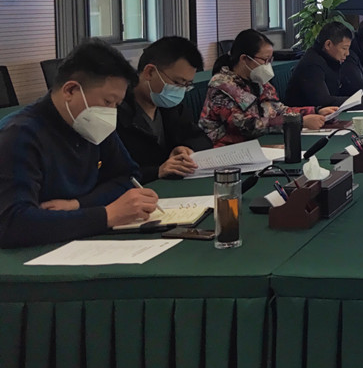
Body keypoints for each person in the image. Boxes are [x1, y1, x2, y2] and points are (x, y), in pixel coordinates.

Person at [0, 40, 160, 248]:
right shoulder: (19, 135)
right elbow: (13, 223)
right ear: (70, 90)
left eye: (117, 105)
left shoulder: (92, 125)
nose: (111, 112)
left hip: (78, 238)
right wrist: (107, 215)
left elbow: (128, 177)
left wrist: (78, 205)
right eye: (107, 102)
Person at [200, 29, 336, 146]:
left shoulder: (259, 82)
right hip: (226, 150)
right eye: (264, 60)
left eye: (270, 60)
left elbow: (279, 110)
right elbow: (246, 126)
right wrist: (298, 122)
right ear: (244, 59)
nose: (267, 65)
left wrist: (316, 111)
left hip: (259, 145)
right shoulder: (222, 85)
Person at [116, 36, 212, 183]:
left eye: (187, 85)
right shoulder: (117, 110)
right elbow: (114, 172)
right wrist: (157, 171)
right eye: (177, 82)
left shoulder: (171, 106)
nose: (181, 90)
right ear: (149, 72)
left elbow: (201, 138)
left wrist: (186, 148)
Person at [284, 20, 356, 108]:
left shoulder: (331, 60)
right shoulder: (312, 64)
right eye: (344, 48)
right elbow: (323, 101)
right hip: (301, 116)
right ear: (328, 44)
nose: (347, 53)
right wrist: (361, 102)